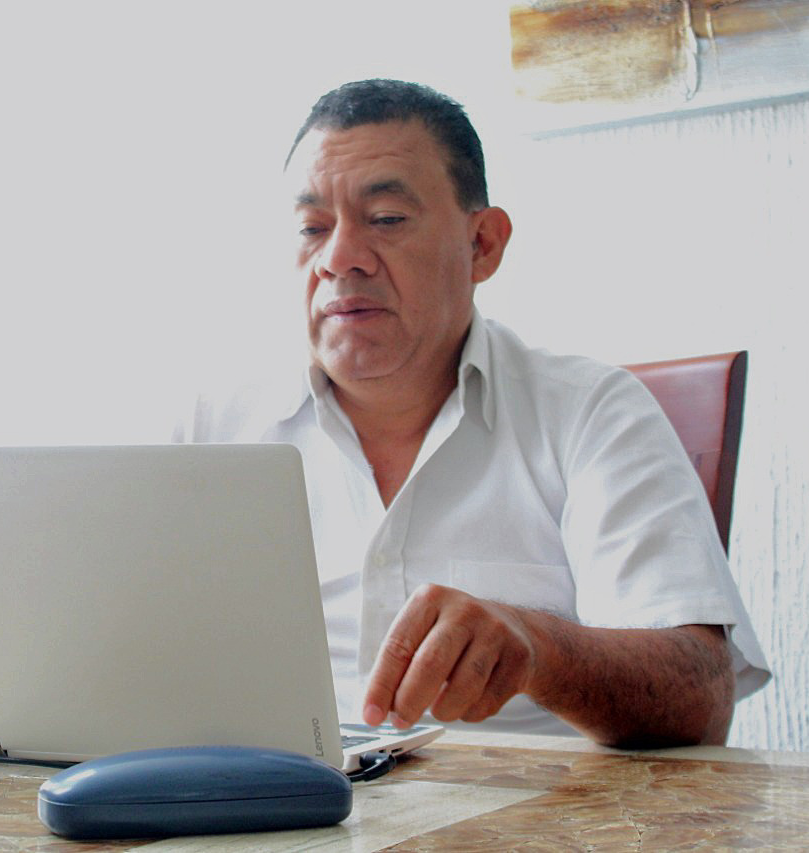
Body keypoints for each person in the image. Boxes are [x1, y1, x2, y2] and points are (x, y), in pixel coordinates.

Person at [174, 79, 769, 747]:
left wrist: (538, 647)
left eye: (386, 219)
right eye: (313, 228)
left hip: (526, 804)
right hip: (272, 798)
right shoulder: (208, 430)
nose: (338, 259)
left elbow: (700, 698)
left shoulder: (590, 412)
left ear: (482, 244)